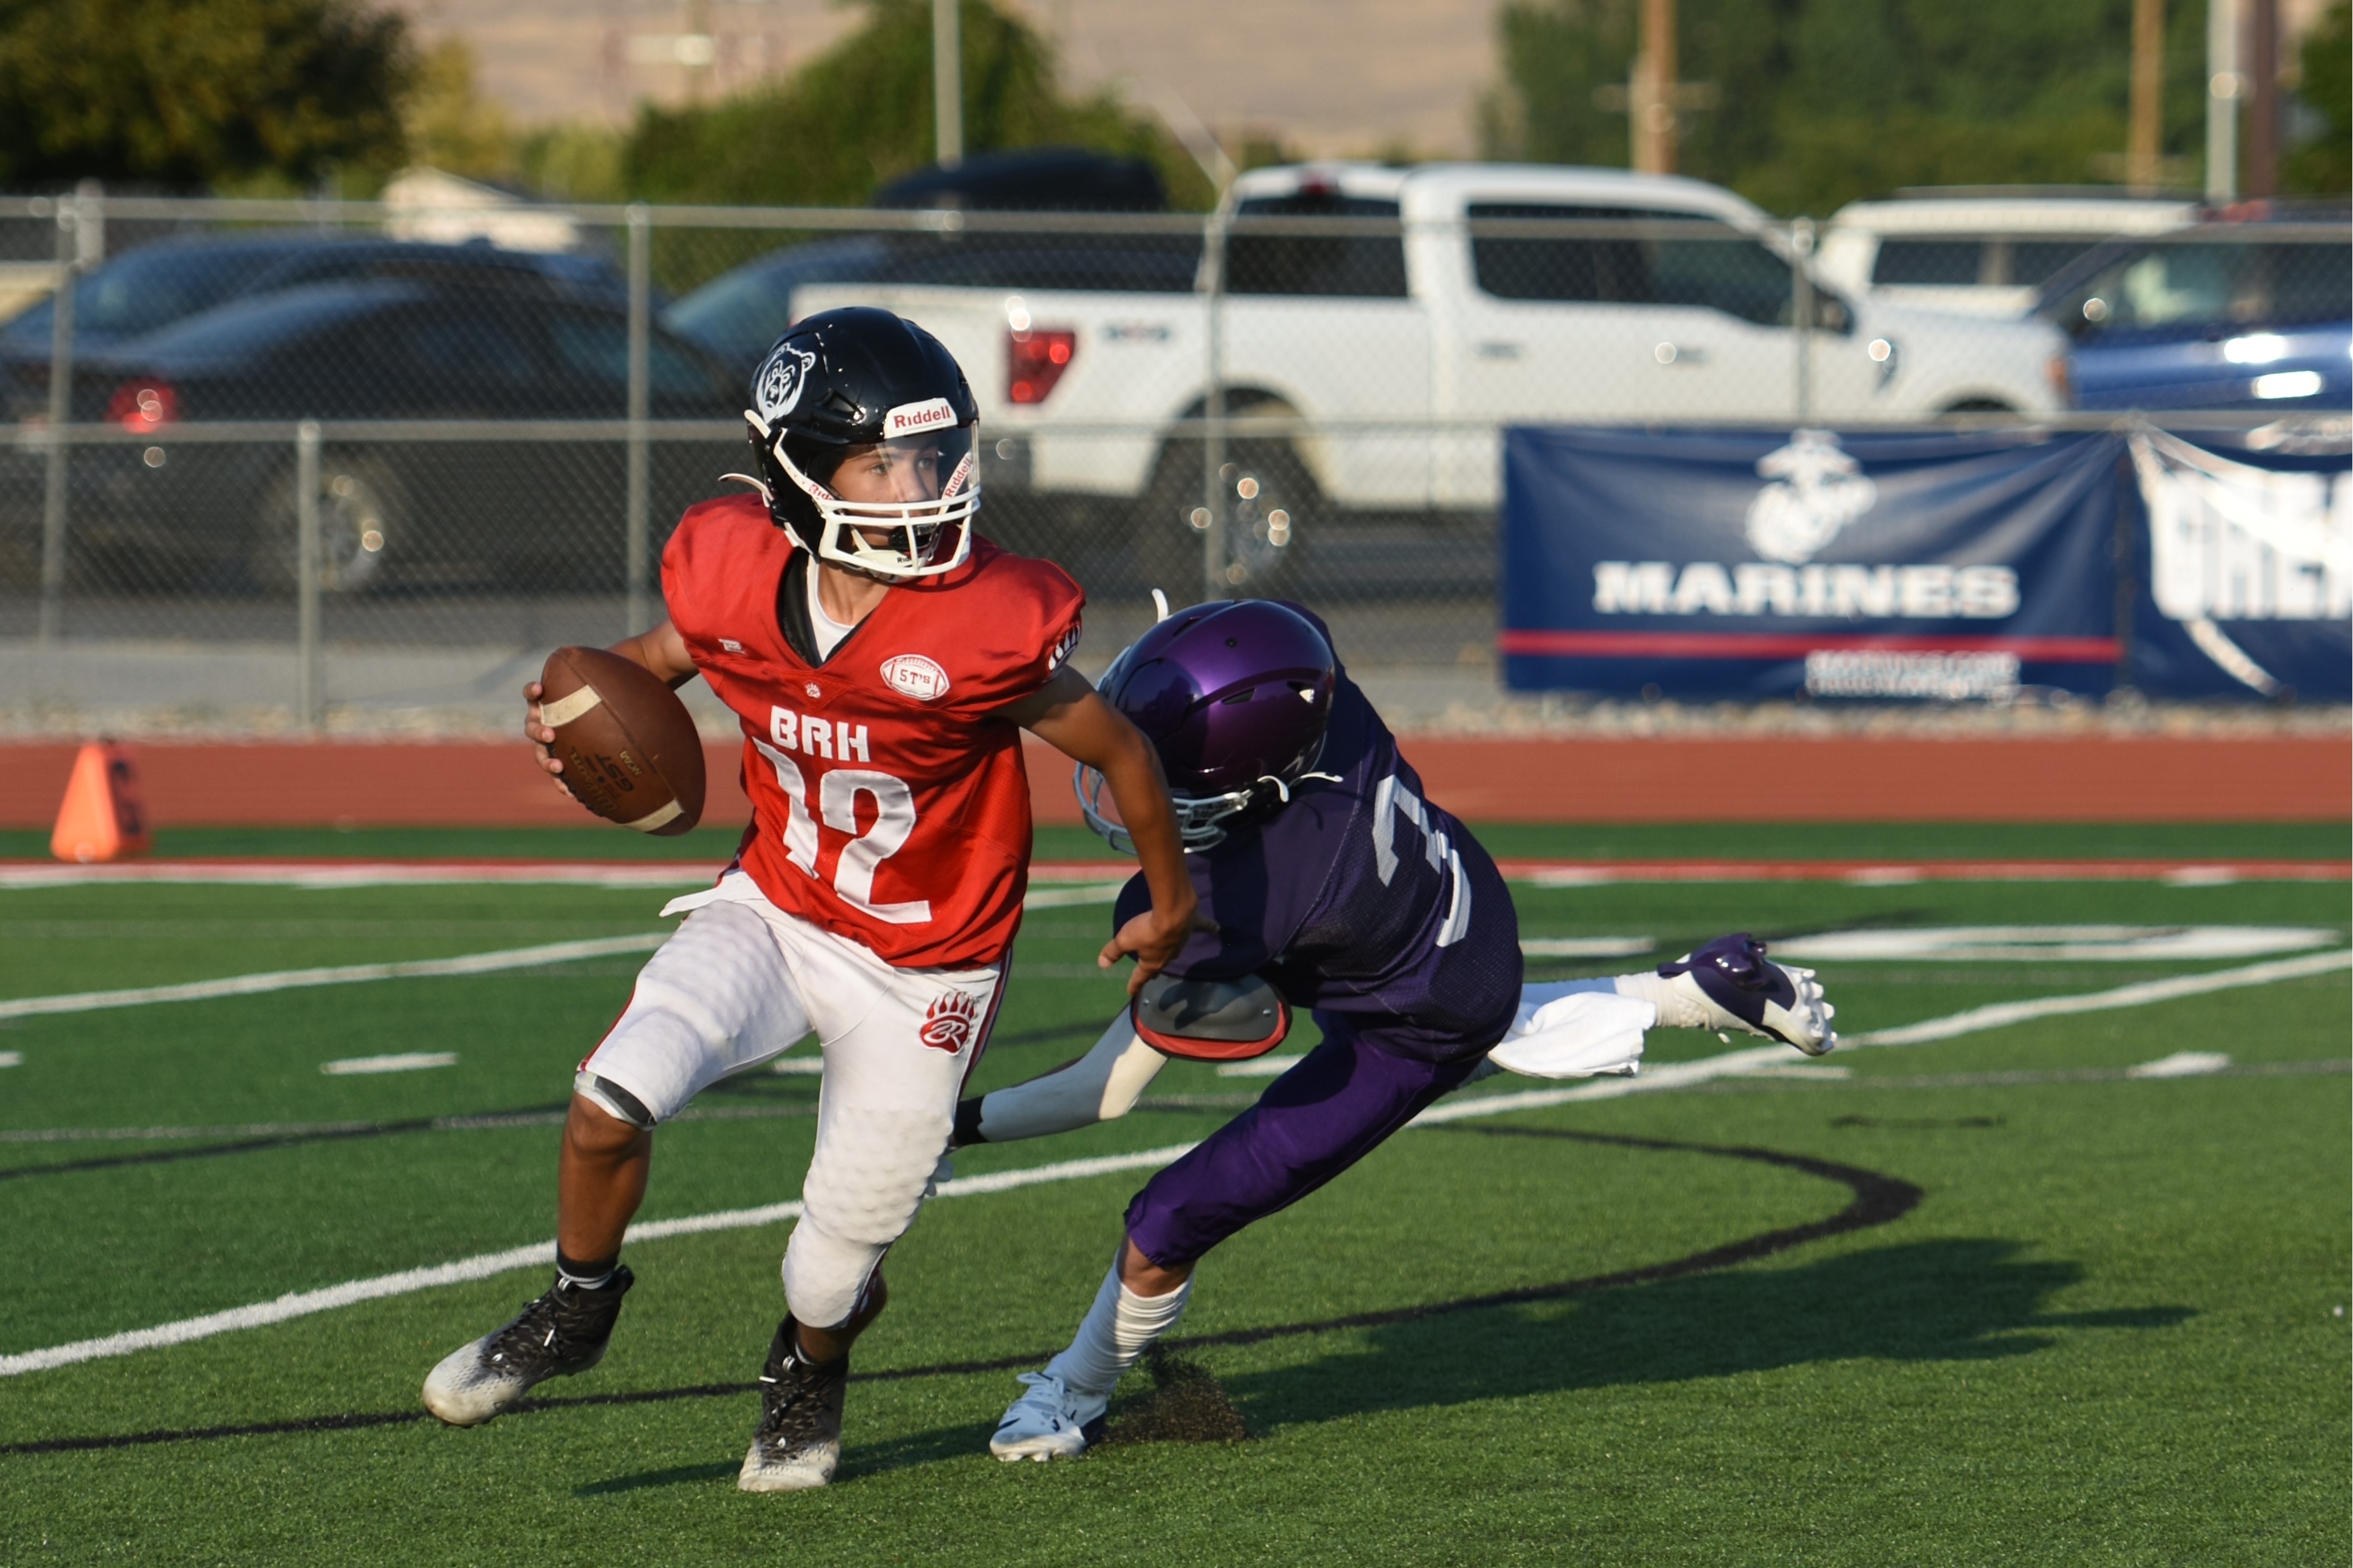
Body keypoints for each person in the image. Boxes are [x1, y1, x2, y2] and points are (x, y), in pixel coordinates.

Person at [418, 307, 1204, 1493]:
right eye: (881, 462)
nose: (919, 487)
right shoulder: (732, 567)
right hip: (776, 910)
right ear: (794, 469)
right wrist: (573, 715)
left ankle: (808, 1363)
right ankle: (578, 1309)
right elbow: (655, 664)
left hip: (927, 967)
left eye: (934, 459)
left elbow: (1125, 752)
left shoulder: (985, 618)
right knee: (608, 1099)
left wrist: (1170, 899)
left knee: (830, 1270)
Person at [960, 598, 1835, 1461]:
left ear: (1259, 781)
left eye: (1165, 774)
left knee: (1170, 1218)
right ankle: (1706, 986)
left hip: (1416, 1023)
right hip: (1460, 902)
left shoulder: (1258, 892)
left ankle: (1072, 1391)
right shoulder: (1316, 690)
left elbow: (1102, 1092)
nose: (1133, 785)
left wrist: (954, 1125)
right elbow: (1270, 644)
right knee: (1469, 1017)